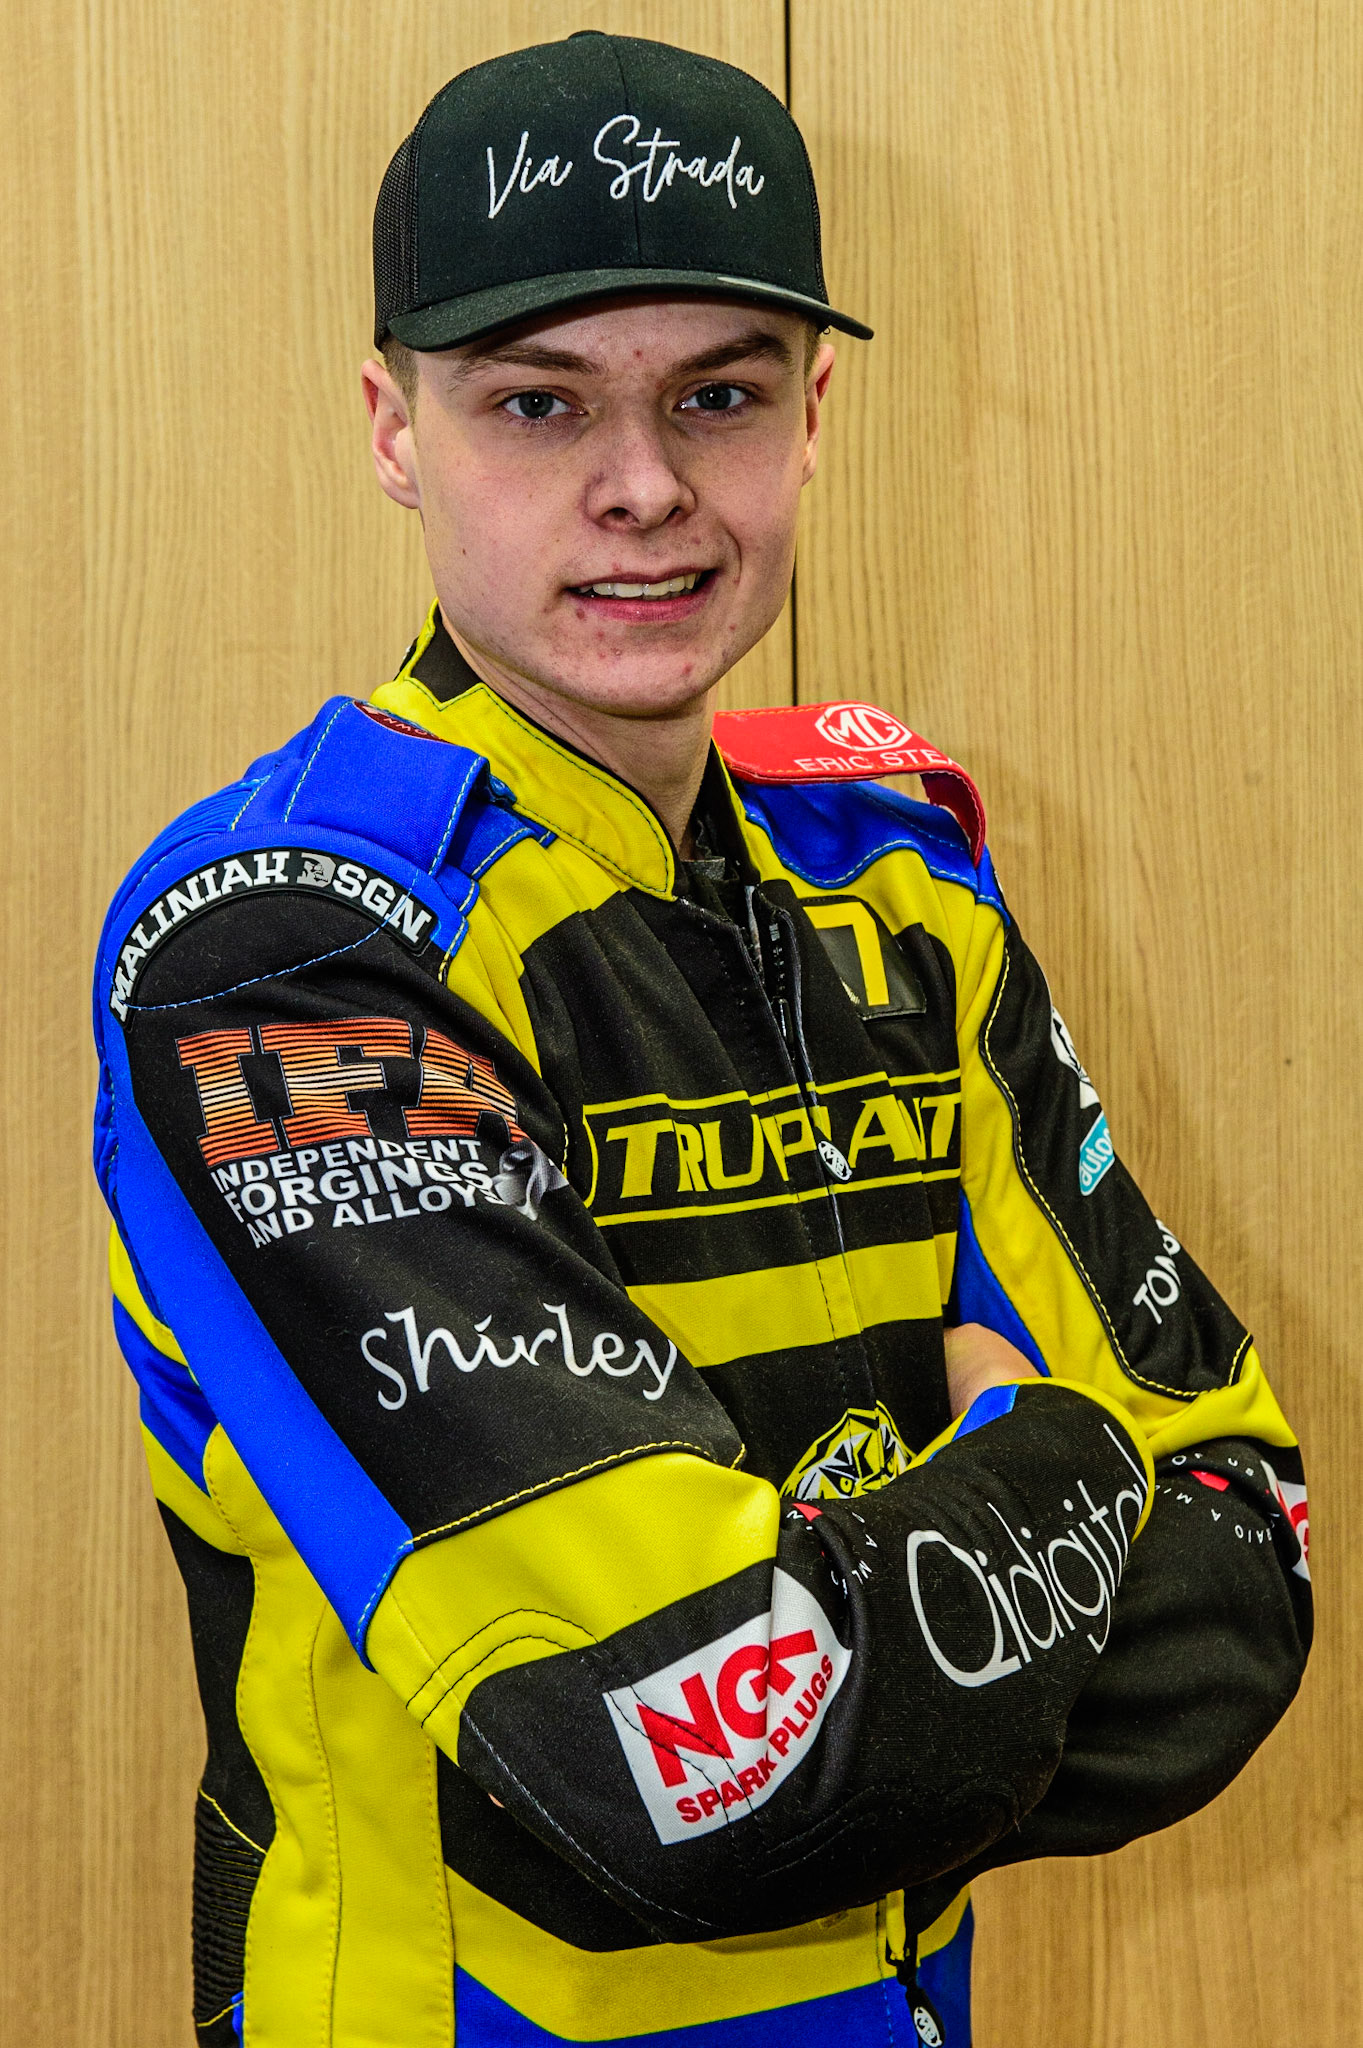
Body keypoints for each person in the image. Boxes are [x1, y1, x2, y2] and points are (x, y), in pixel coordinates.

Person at [91, 31, 1311, 2048]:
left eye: (716, 395)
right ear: (393, 425)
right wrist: (1057, 1453)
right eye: (536, 403)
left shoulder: (900, 891)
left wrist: (869, 1654)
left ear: (812, 417)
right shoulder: (285, 954)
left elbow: (1243, 1569)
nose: (643, 484)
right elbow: (694, 1772)